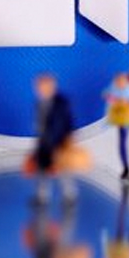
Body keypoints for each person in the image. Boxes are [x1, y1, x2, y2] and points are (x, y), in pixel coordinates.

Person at [33, 74, 75, 202]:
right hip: (44, 142)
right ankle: (42, 196)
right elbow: (40, 122)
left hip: (58, 142)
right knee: (42, 170)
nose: (40, 89)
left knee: (63, 170)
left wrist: (65, 141)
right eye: (39, 87)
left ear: (52, 86)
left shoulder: (62, 102)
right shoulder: (39, 102)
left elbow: (67, 123)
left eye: (43, 86)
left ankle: (69, 196)